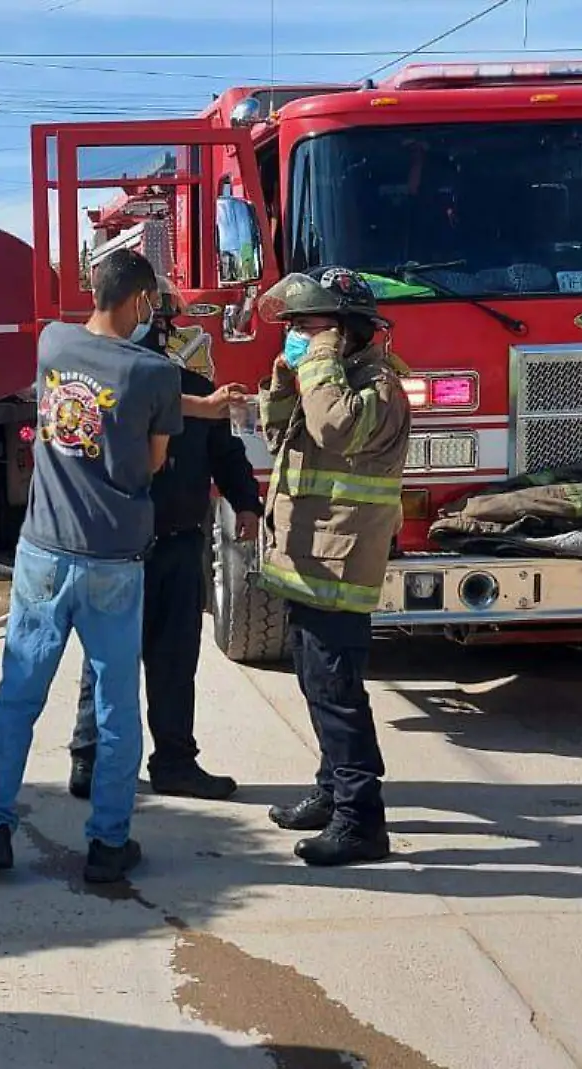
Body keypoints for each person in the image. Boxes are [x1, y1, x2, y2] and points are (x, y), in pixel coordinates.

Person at [0, 249, 244, 885]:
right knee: (119, 706)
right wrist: (192, 407)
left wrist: (203, 405)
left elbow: (123, 399)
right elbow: (150, 461)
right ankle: (108, 846)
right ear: (143, 303)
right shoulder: (153, 373)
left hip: (42, 554)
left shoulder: (52, 344)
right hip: (112, 562)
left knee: (17, 696)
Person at [67, 279, 262, 802]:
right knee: (109, 659)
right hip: (118, 549)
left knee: (171, 661)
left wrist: (246, 502)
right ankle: (90, 758)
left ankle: (173, 762)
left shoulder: (198, 388)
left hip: (176, 546)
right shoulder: (103, 390)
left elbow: (226, 453)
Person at [254, 267, 410, 868]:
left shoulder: (378, 387)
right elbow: (289, 441)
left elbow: (333, 428)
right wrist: (284, 385)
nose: (295, 336)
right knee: (315, 683)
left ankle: (360, 821)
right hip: (308, 558)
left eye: (307, 326)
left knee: (338, 692)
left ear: (344, 331)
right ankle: (330, 790)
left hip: (340, 565)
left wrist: (315, 365)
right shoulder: (334, 379)